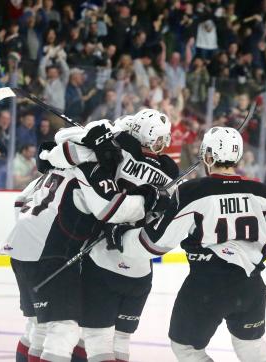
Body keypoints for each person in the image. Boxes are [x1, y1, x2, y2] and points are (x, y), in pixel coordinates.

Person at [105, 126, 266, 361]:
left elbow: (155, 245)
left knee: (185, 348)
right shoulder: (263, 193)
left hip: (206, 287)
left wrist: (121, 236)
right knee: (251, 347)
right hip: (250, 288)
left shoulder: (192, 192)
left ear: (208, 156)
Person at [2, 121, 172, 362]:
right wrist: (149, 198)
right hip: (51, 253)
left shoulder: (51, 172)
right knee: (65, 331)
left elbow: (21, 203)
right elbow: (111, 210)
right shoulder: (89, 169)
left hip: (20, 248)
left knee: (37, 327)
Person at [45, 109, 178, 362]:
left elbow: (59, 151)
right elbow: (165, 216)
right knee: (120, 340)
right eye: (160, 139)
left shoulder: (118, 148)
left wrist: (93, 138)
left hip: (103, 256)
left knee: (95, 337)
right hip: (139, 267)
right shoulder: (170, 171)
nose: (163, 145)